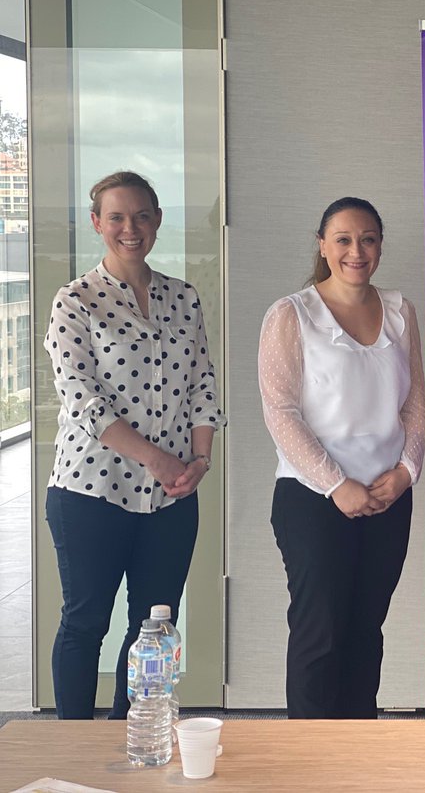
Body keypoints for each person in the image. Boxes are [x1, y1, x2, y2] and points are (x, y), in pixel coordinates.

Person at [43, 171, 225, 720]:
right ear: (97, 224)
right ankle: (73, 749)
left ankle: (137, 734)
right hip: (89, 493)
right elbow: (83, 402)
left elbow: (202, 382)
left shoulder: (183, 297)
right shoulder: (74, 301)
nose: (131, 228)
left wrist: (199, 459)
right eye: (117, 217)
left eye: (142, 215)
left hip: (172, 497)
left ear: (158, 221)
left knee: (155, 627)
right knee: (86, 622)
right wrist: (161, 459)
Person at [258, 196, 425, 719]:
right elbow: (280, 412)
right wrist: (337, 485)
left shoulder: (400, 310)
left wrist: (405, 473)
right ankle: (309, 764)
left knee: (365, 631)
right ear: (323, 246)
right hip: (313, 499)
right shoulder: (291, 314)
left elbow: (416, 401)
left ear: (380, 246)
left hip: (388, 497)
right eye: (344, 239)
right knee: (320, 633)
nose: (357, 251)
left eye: (368, 239)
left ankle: (357, 753)